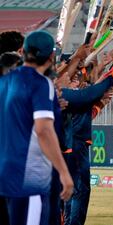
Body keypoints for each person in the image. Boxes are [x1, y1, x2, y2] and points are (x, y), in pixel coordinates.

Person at [0, 30, 74, 224]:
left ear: (23, 52)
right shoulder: (41, 84)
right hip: (29, 173)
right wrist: (64, 172)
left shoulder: (6, 81)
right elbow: (43, 130)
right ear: (51, 56)